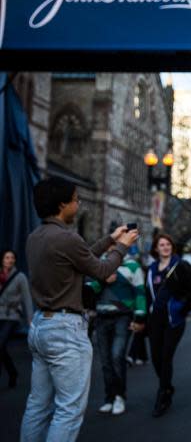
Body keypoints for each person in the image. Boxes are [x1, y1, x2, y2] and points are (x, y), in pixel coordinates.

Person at [21, 177, 138, 442]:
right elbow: (101, 270)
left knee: (37, 406)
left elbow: (80, 256)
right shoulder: (66, 238)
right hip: (64, 330)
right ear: (63, 204)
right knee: (69, 410)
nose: (78, 204)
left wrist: (110, 240)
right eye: (76, 200)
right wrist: (122, 246)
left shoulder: (35, 237)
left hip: (40, 325)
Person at [86, 244, 146, 415]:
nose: (113, 248)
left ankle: (120, 396)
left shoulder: (133, 266)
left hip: (122, 317)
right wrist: (103, 279)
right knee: (105, 361)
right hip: (102, 317)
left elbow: (140, 293)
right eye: (111, 245)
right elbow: (91, 289)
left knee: (117, 356)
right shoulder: (100, 265)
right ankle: (109, 397)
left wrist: (140, 316)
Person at [146, 233, 191, 417]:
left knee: (166, 357)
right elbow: (148, 294)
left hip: (173, 319)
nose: (165, 247)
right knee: (155, 357)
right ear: (156, 248)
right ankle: (167, 387)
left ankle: (162, 397)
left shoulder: (181, 265)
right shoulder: (151, 269)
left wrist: (181, 307)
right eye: (161, 245)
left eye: (168, 244)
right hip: (155, 319)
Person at [0, 249, 34, 388]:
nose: (9, 260)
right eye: (7, 257)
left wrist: (30, 320)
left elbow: (27, 299)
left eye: (12, 258)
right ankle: (12, 372)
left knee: (0, 344)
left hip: (11, 315)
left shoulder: (20, 277)